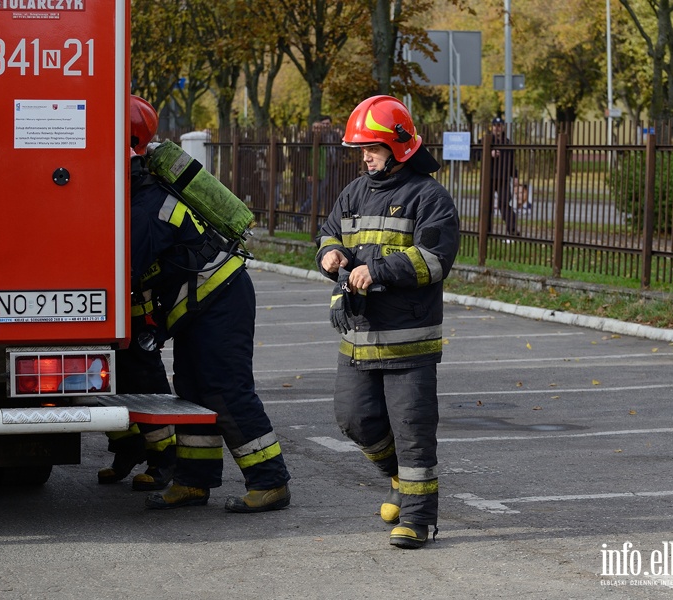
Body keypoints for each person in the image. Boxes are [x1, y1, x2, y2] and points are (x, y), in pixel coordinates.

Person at [126, 95, 292, 513]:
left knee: (225, 389)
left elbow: (126, 271)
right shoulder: (143, 193)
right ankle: (193, 481)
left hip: (219, 300)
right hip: (199, 304)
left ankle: (270, 482)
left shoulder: (145, 209)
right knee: (194, 391)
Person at [315, 95, 460, 549]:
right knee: (354, 419)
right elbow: (328, 232)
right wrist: (329, 255)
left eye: (372, 148)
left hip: (408, 342)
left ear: (400, 146)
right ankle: (397, 480)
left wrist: (378, 269)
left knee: (413, 434)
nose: (365, 156)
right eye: (361, 149)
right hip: (357, 338)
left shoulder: (429, 197)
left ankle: (418, 521)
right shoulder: (354, 192)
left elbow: (435, 260)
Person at [97, 96, 176, 493]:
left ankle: (164, 461)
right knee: (110, 385)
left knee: (145, 384)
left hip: (137, 310)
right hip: (114, 309)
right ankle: (125, 451)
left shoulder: (145, 199)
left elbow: (133, 263)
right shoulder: (128, 189)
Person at [485, 116, 518, 236]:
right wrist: (489, 153)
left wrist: (514, 175)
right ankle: (486, 230)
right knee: (486, 205)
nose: (497, 128)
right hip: (488, 178)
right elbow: (476, 154)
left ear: (502, 127)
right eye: (495, 126)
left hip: (503, 178)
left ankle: (512, 230)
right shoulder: (486, 140)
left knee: (504, 204)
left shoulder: (508, 143)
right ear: (492, 127)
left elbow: (512, 161)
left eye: (499, 126)